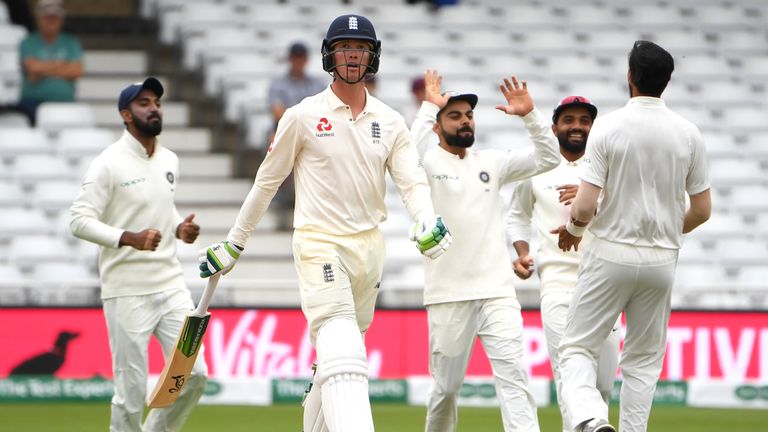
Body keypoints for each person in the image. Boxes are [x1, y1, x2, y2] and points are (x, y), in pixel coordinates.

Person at [198, 15, 451, 432]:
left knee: (334, 361)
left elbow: (412, 181)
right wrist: (234, 244)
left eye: (360, 48)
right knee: (343, 346)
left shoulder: (389, 121)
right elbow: (266, 182)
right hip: (319, 243)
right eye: (344, 48)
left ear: (373, 56)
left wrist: (426, 220)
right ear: (329, 55)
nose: (352, 55)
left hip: (369, 250)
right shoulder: (301, 115)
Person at [551, 41, 711, 432]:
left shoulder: (607, 125)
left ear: (630, 77)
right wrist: (667, 232)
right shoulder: (689, 134)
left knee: (576, 348)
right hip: (661, 261)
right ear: (666, 81)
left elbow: (585, 207)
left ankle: (590, 419)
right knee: (642, 361)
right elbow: (703, 210)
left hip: (609, 253)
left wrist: (573, 229)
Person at [410, 69, 560, 432]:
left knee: (514, 378)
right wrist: (429, 107)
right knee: (446, 390)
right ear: (437, 125)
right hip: (448, 295)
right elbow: (402, 158)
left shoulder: (491, 162)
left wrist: (530, 116)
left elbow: (549, 158)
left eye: (469, 115)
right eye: (455, 115)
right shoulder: (427, 164)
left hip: (497, 292)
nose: (464, 122)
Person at [70, 77, 207, 432]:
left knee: (192, 374)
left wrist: (179, 228)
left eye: (157, 102)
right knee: (130, 394)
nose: (154, 108)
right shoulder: (108, 163)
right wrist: (127, 238)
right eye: (144, 103)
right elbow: (79, 220)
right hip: (126, 291)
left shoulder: (169, 159)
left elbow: (160, 207)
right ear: (126, 115)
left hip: (171, 284)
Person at [506, 95, 621, 432]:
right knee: (569, 377)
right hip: (556, 285)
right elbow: (517, 217)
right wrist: (522, 252)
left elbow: (623, 220)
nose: (577, 126)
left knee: (601, 386)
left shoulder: (606, 170)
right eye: (569, 120)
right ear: (554, 127)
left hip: (602, 284)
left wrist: (591, 203)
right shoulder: (536, 167)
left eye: (584, 120)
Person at [267, 41, 328, 230]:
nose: (298, 61)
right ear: (290, 59)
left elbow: (325, 111)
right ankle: (280, 197)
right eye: (295, 57)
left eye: (301, 58)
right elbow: (277, 112)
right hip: (285, 131)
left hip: (314, 132)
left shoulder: (317, 83)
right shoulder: (278, 84)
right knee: (275, 143)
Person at [18, 0, 83, 125]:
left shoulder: (71, 43)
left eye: (55, 17)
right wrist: (62, 66)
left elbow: (77, 71)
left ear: (61, 19)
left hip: (65, 103)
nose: (51, 20)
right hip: (32, 104)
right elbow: (33, 68)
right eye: (47, 17)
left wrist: (43, 69)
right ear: (38, 19)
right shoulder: (28, 42)